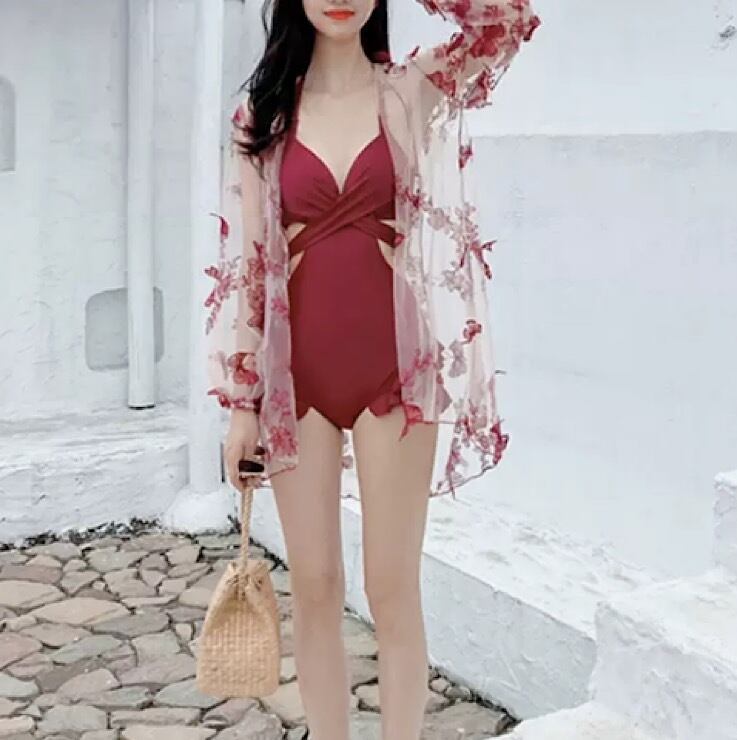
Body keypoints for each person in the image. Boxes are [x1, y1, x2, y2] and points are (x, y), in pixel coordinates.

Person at [204, 0, 540, 737]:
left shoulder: (411, 88)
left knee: (393, 590)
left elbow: (505, 24)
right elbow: (247, 266)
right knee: (316, 588)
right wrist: (242, 404)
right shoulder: (263, 116)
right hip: (296, 380)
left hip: (395, 370)